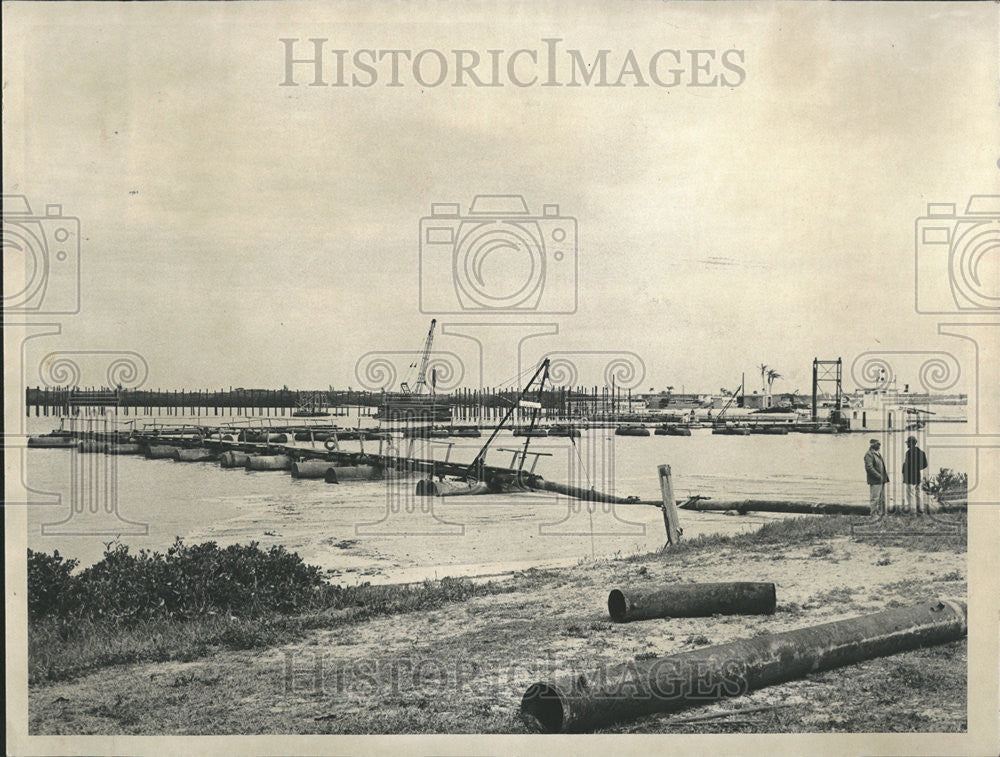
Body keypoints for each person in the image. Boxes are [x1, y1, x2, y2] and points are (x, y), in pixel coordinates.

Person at [902, 435, 929, 514]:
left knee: (910, 494)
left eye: (908, 443)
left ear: (911, 443)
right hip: (917, 476)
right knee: (918, 493)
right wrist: (917, 467)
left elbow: (907, 465)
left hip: (909, 477)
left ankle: (913, 511)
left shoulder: (908, 453)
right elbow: (925, 465)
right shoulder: (922, 453)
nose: (907, 445)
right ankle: (920, 510)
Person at [864, 438, 890, 516]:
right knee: (875, 498)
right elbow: (869, 468)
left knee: (882, 498)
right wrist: (879, 476)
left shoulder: (877, 453)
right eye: (878, 444)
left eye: (879, 444)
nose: (879, 445)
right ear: (872, 445)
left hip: (881, 480)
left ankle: (882, 514)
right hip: (875, 480)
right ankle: (873, 514)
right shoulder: (869, 454)